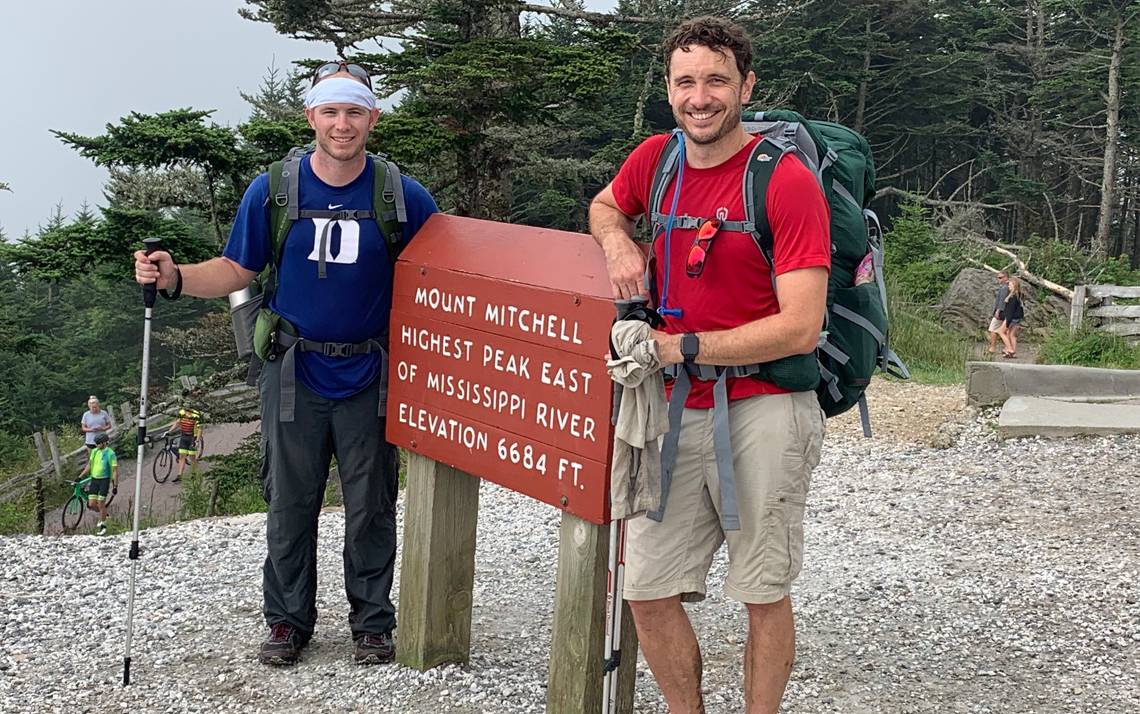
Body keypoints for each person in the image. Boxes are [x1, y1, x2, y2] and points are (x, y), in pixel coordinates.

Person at [134, 62, 439, 666]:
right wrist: (174, 278)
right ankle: (287, 622)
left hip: (371, 372)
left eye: (354, 112)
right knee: (289, 502)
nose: (342, 125)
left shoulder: (401, 194)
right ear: (311, 118)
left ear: (372, 119)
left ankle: (372, 623)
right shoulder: (273, 189)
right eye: (331, 112)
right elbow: (236, 270)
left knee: (371, 503)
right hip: (294, 371)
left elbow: (442, 272)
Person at [589, 17, 830, 714]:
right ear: (669, 89)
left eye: (717, 80)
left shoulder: (784, 183)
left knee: (761, 590)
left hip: (765, 408)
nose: (701, 97)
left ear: (746, 86)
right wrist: (616, 243)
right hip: (673, 407)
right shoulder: (655, 160)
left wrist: (681, 347)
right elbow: (607, 204)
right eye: (686, 81)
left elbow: (802, 325)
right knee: (647, 590)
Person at [78, 431, 117, 535]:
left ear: (104, 443)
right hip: (94, 479)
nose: (96, 445)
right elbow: (89, 466)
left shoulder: (110, 453)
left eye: (98, 443)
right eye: (96, 443)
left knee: (101, 503)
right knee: (91, 504)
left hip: (104, 480)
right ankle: (104, 514)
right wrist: (80, 476)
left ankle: (103, 525)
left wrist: (115, 485)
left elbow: (114, 470)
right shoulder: (94, 451)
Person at [163, 393, 203, 483]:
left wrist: (197, 441)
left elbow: (200, 428)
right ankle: (179, 475)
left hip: (193, 437)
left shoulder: (196, 414)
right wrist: (169, 431)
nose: (186, 407)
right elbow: (177, 423)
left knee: (192, 457)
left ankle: (193, 474)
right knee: (182, 456)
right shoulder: (181, 412)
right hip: (184, 436)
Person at [999, 276, 1025, 358]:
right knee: (1011, 334)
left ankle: (1010, 349)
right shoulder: (1019, 295)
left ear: (1014, 285)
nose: (1008, 286)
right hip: (1018, 318)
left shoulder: (1013, 297)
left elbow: (1010, 311)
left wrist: (1007, 323)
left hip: (1011, 318)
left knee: (1001, 331)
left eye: (1010, 285)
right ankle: (1012, 352)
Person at [986, 270, 1010, 355]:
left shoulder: (1004, 288)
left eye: (1000, 278)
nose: (998, 279)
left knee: (993, 329)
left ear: (1006, 277)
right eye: (998, 278)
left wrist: (998, 311)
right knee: (1006, 331)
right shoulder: (1009, 286)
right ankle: (1007, 348)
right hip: (1007, 312)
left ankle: (993, 348)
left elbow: (1002, 300)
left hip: (1001, 312)